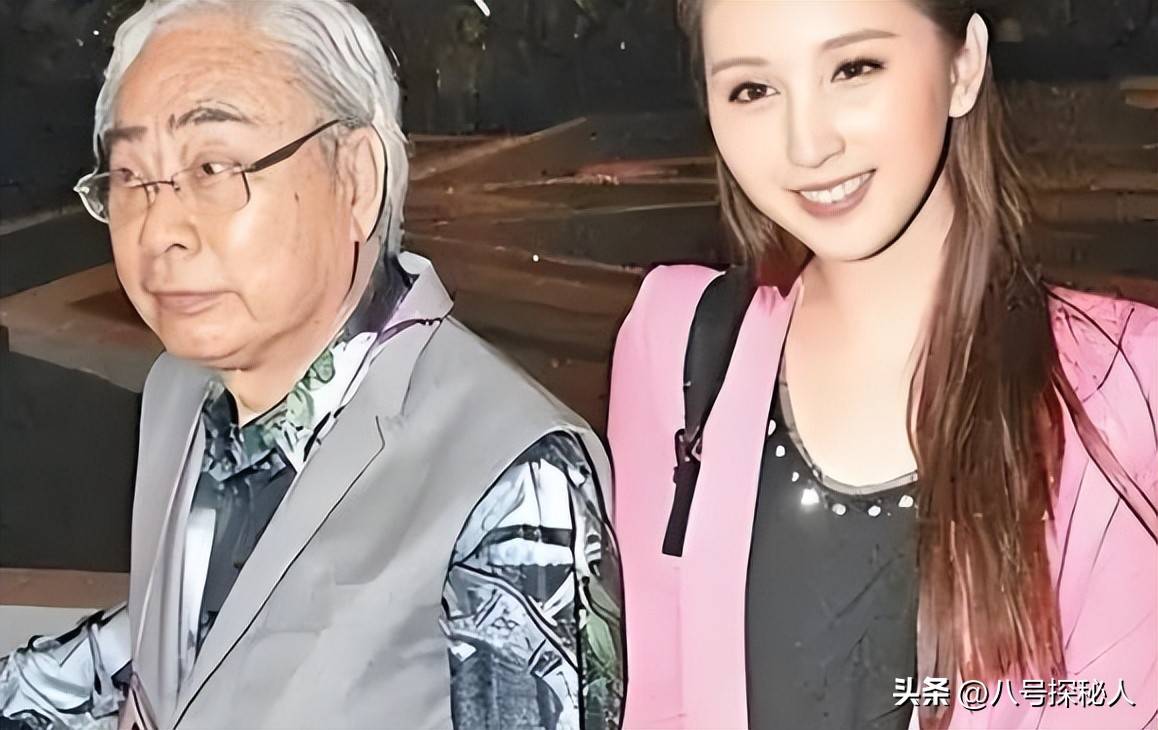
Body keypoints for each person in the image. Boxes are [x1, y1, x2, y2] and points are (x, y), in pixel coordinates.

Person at [0, 1, 624, 728]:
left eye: (213, 167)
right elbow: (185, 646)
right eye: (132, 176)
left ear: (355, 179)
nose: (160, 229)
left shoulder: (514, 475)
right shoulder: (184, 389)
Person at [607, 1, 1156, 729]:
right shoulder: (679, 343)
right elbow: (654, 700)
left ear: (963, 65)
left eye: (853, 68)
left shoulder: (1120, 385)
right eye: (753, 89)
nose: (807, 145)